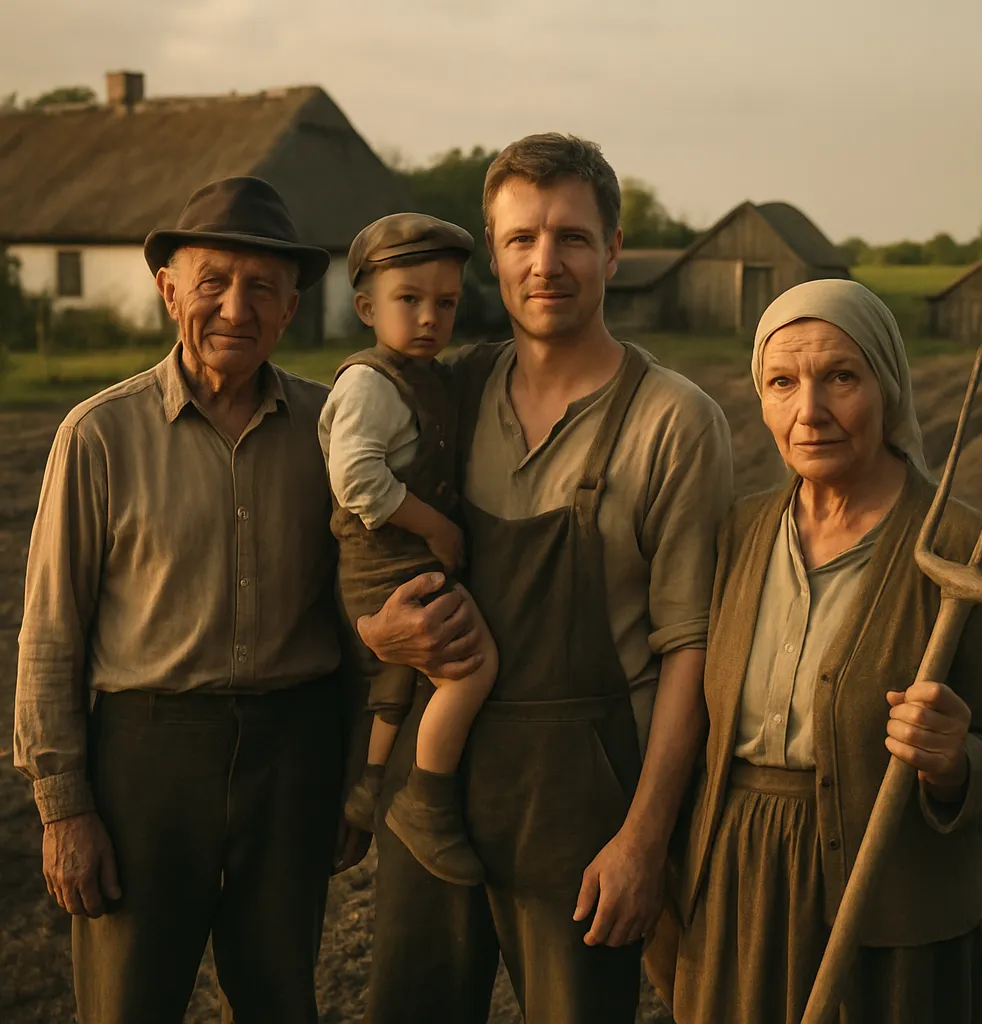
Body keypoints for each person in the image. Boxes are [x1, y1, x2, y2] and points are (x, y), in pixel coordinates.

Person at [355, 133, 734, 1023]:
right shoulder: (442, 394)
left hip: (582, 807)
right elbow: (360, 550)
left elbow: (691, 651)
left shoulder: (675, 422)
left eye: (570, 236)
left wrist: (644, 840)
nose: (545, 262)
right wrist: (378, 635)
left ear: (610, 249)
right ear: (493, 253)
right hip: (435, 788)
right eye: (521, 238)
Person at [13, 176, 360, 1024]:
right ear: (169, 290)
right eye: (213, 281)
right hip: (145, 763)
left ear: (291, 310)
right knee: (129, 1003)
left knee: (281, 1000)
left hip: (291, 754)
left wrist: (352, 783)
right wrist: (65, 810)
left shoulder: (333, 434)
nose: (235, 307)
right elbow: (51, 634)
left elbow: (358, 623)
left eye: (262, 289)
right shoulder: (99, 435)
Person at [644, 278, 982, 1024]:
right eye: (782, 382)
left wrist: (954, 762)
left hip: (889, 898)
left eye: (840, 378)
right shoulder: (739, 533)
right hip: (739, 888)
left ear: (888, 386)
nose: (809, 412)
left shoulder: (961, 549)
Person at [319, 212, 498, 886]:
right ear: (366, 307)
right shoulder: (369, 384)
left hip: (400, 555)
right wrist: (436, 528)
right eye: (409, 300)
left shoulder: (426, 375)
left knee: (400, 676)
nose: (430, 318)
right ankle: (427, 797)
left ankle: (369, 784)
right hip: (383, 559)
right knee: (469, 663)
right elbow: (359, 480)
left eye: (446, 303)